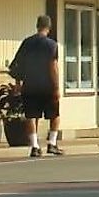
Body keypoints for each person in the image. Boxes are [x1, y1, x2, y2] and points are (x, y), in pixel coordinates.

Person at [10, 16, 63, 157]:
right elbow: (53, 66)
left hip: (30, 84)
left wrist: (18, 83)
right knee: (54, 115)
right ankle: (52, 143)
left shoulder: (27, 43)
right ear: (49, 27)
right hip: (47, 85)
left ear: (37, 26)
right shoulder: (51, 45)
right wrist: (57, 87)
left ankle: (34, 146)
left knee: (31, 116)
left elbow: (17, 64)